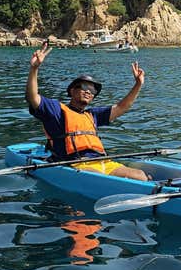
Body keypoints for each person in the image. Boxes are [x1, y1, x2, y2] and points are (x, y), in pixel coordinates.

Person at [25, 41, 148, 180]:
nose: (89, 92)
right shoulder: (57, 110)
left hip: (104, 162)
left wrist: (138, 84)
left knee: (140, 176)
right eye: (84, 86)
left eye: (93, 90)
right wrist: (34, 69)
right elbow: (33, 97)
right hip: (77, 164)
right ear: (72, 90)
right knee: (99, 178)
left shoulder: (93, 115)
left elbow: (122, 107)